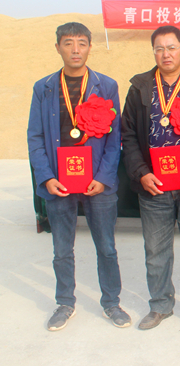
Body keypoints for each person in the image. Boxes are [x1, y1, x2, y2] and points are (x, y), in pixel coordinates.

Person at [28, 22, 130, 330]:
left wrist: (104, 176)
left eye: (82, 43)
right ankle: (65, 303)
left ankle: (111, 303)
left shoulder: (106, 85)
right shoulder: (44, 88)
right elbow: (35, 137)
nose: (76, 49)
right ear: (57, 47)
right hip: (59, 182)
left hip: (96, 182)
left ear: (89, 47)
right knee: (62, 250)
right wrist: (46, 177)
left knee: (107, 247)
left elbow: (114, 137)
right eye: (69, 43)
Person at [121, 25, 180, 330]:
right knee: (156, 252)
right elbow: (128, 135)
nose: (166, 54)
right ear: (153, 52)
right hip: (155, 186)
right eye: (160, 48)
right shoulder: (139, 87)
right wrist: (141, 173)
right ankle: (160, 305)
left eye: (172, 47)